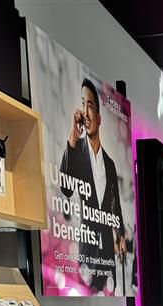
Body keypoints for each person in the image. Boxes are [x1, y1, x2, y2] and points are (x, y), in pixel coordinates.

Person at [60, 78, 126, 293]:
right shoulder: (76, 149)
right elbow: (66, 187)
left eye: (90, 106)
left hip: (107, 249)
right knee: (86, 292)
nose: (85, 113)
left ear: (98, 116)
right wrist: (72, 138)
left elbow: (115, 207)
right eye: (83, 104)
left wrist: (121, 235)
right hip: (87, 247)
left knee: (110, 293)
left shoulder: (110, 164)